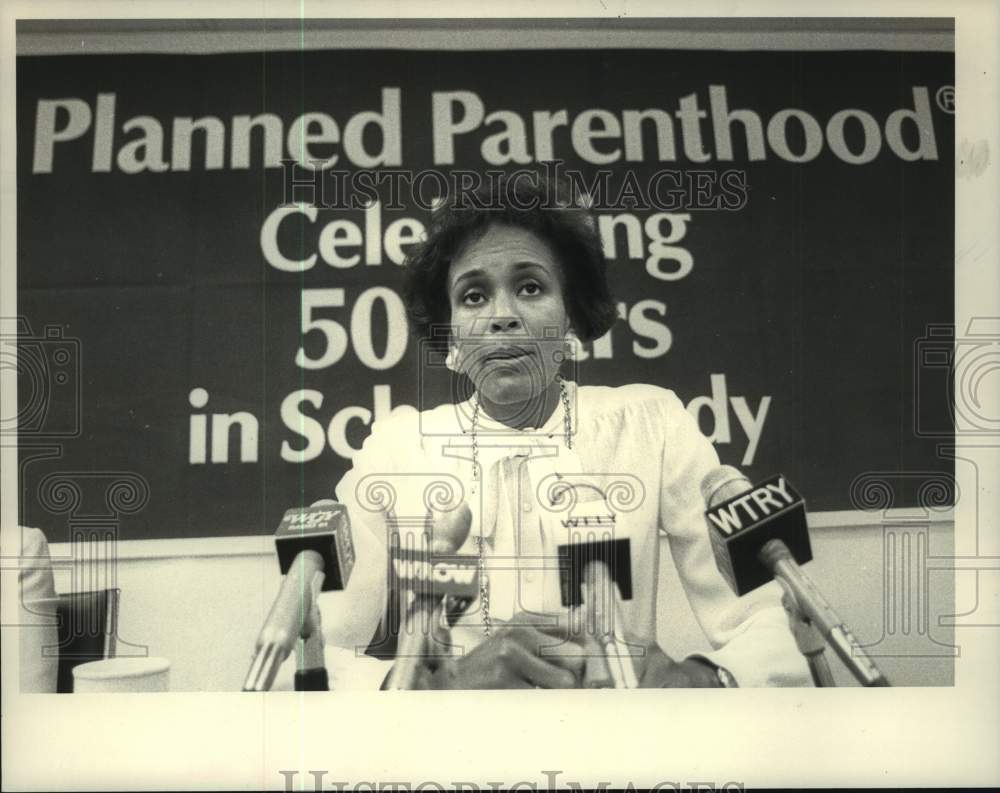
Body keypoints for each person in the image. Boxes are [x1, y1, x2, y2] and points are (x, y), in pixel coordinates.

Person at [319, 173, 810, 689]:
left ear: (571, 315)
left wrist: (708, 679)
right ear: (450, 334)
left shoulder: (651, 424)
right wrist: (442, 687)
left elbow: (776, 616)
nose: (502, 316)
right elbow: (306, 657)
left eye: (530, 287)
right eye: (473, 296)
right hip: (459, 758)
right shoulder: (398, 450)